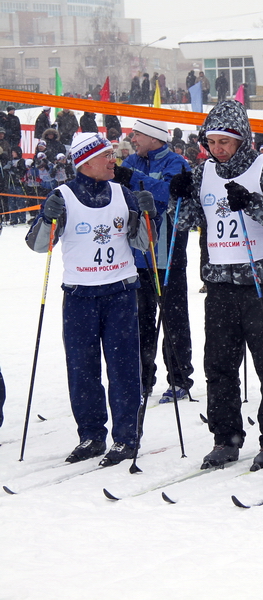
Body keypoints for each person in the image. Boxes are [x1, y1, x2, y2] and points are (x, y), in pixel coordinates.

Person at [167, 100, 263, 471]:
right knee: (219, 364)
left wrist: (252, 202)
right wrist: (177, 197)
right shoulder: (202, 171)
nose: (218, 148)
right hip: (221, 282)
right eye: (213, 141)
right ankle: (225, 437)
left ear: (243, 139)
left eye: (226, 141)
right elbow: (185, 220)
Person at [25, 132, 156, 466]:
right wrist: (45, 217)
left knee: (124, 368)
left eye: (113, 153)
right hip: (80, 295)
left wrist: (145, 217)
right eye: (106, 155)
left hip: (120, 293)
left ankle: (126, 438)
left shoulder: (121, 192)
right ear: (85, 162)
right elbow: (39, 246)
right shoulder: (63, 195)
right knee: (82, 369)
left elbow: (144, 245)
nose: (113, 160)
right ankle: (92, 435)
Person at [112, 119, 195, 404]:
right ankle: (142, 379)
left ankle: (180, 379)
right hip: (136, 256)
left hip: (167, 255)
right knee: (139, 322)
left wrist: (134, 180)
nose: (132, 139)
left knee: (173, 320)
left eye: (137, 135)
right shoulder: (132, 160)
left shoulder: (177, 162)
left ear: (153, 137)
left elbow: (169, 196)